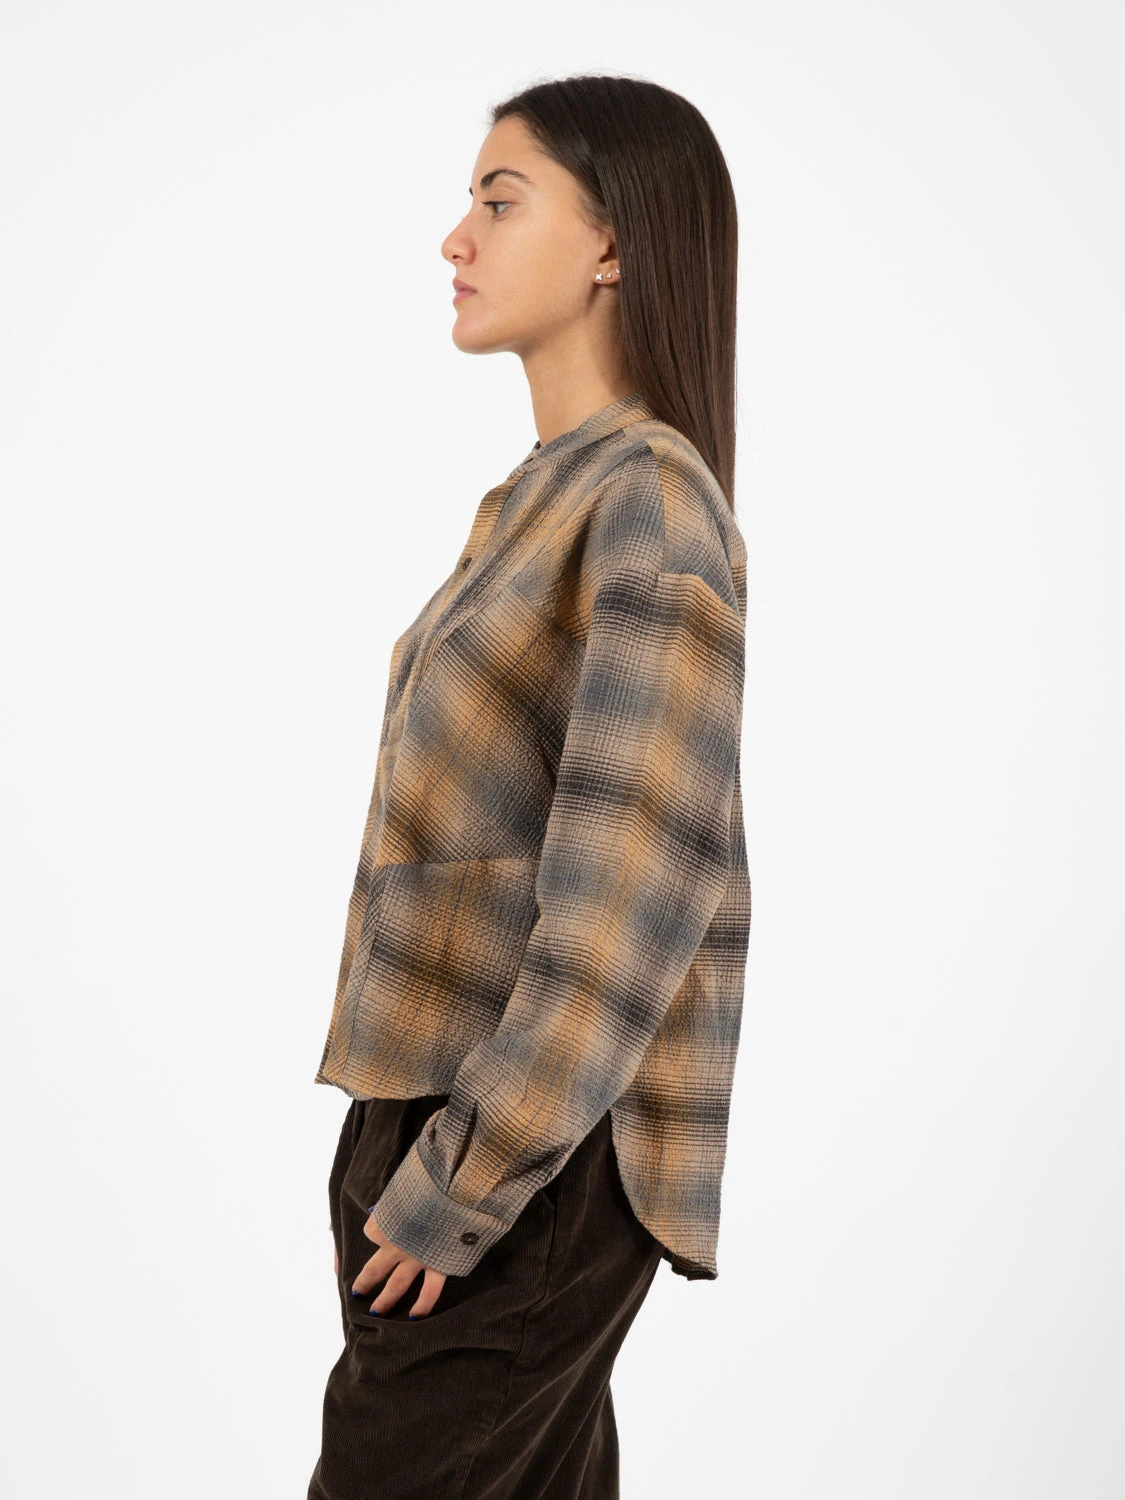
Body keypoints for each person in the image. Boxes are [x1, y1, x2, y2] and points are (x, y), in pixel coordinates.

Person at [307, 71, 751, 1500]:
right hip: (452, 1121)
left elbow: (632, 900)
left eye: (499, 203)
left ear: (612, 243)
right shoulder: (542, 496)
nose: (457, 238)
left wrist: (465, 1174)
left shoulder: (648, 502)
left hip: (523, 1160)